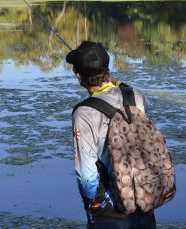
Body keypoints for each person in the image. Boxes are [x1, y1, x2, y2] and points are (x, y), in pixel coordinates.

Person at [66, 40, 157, 229]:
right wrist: (112, 81)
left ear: (78, 76)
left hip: (111, 211)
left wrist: (93, 205)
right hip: (144, 200)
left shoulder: (83, 113)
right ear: (107, 70)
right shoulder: (137, 97)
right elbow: (123, 91)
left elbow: (86, 174)